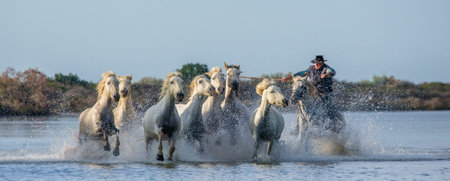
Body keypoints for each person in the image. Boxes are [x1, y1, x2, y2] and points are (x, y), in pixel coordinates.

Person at [281, 55, 344, 133]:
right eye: (316, 63)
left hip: (325, 93)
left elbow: (333, 72)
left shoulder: (326, 68)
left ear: (322, 63)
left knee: (328, 106)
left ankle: (333, 123)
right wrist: (288, 78)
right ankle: (298, 126)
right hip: (313, 90)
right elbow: (301, 73)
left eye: (319, 63)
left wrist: (326, 74)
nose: (317, 65)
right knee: (302, 105)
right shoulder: (311, 68)